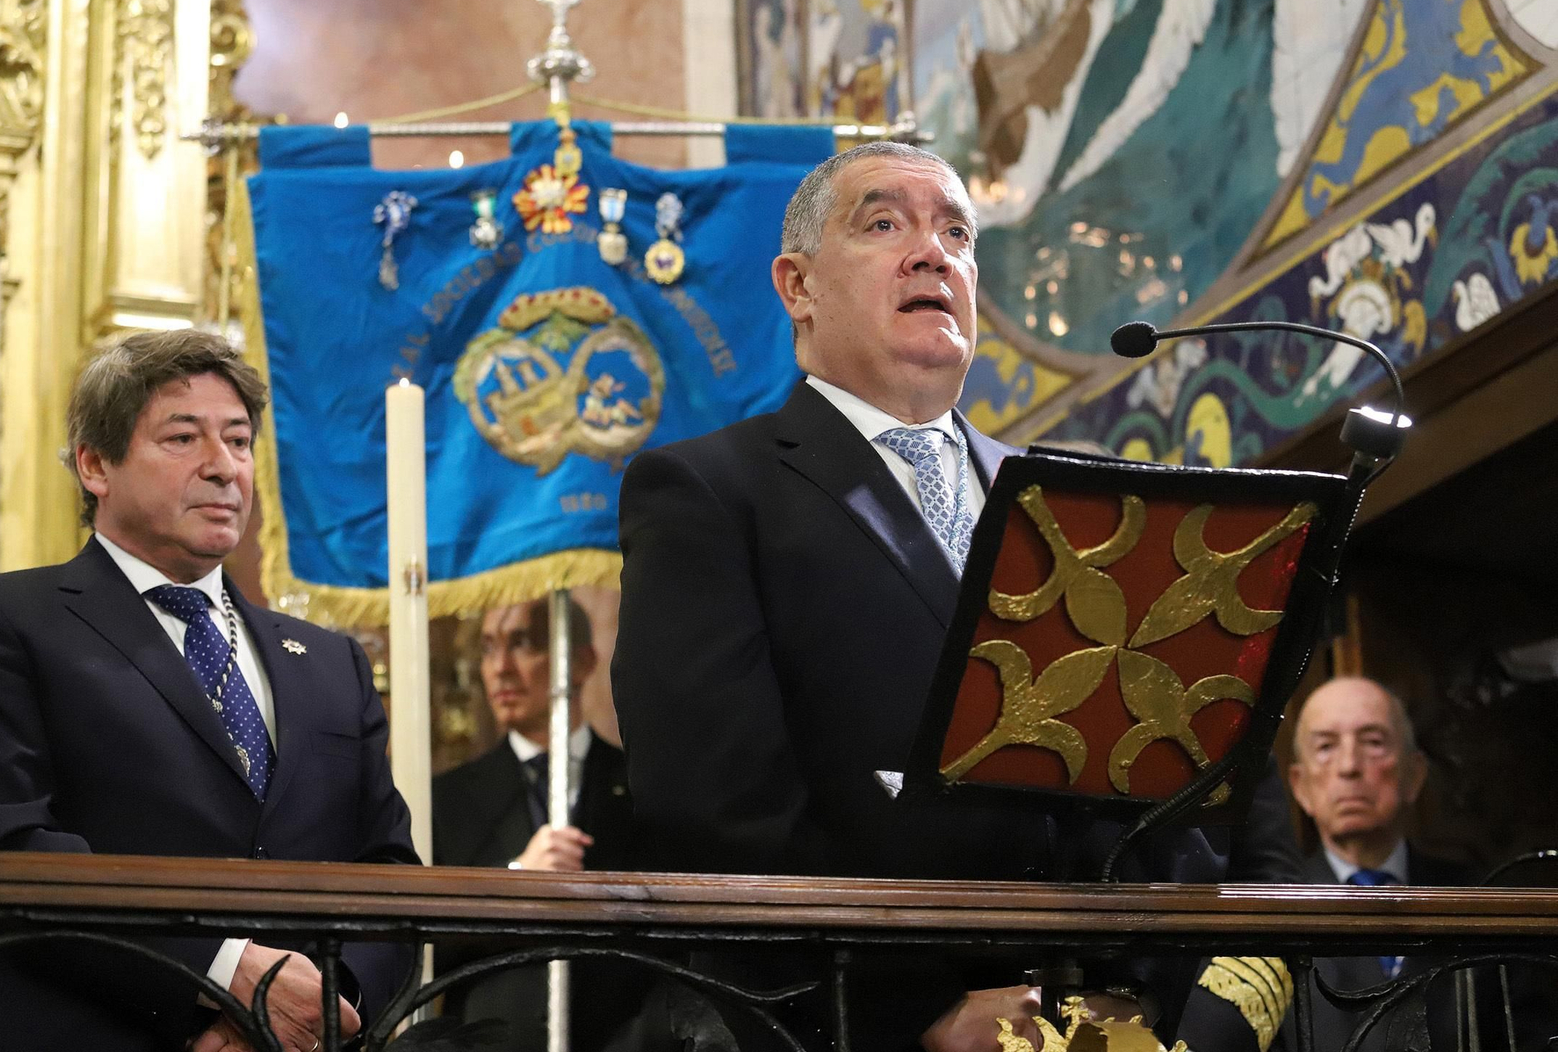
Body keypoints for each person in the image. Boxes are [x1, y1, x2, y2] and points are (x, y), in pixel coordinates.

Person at [611, 142, 1300, 1052]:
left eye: (956, 232)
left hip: (1136, 1022)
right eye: (884, 222)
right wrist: (913, 1016)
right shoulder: (710, 492)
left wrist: (1213, 995)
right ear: (798, 286)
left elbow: (1209, 736)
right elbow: (717, 808)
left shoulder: (1084, 500)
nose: (932, 252)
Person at [0, 329, 419, 1052]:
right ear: (94, 464)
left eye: (238, 441)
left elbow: (389, 870)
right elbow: (8, 847)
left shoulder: (332, 661)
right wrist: (226, 979)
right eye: (184, 438)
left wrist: (323, 1005)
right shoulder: (2, 622)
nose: (224, 467)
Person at [432, 597, 639, 1046]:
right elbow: (432, 943)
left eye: (522, 644)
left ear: (581, 661)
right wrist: (518, 880)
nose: (500, 668)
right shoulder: (447, 799)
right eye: (488, 648)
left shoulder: (638, 788)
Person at [1286, 676, 1479, 1050]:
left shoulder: (1479, 900)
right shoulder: (1269, 910)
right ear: (1300, 787)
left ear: (1414, 774)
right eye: (1325, 747)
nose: (1349, 767)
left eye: (1373, 743)